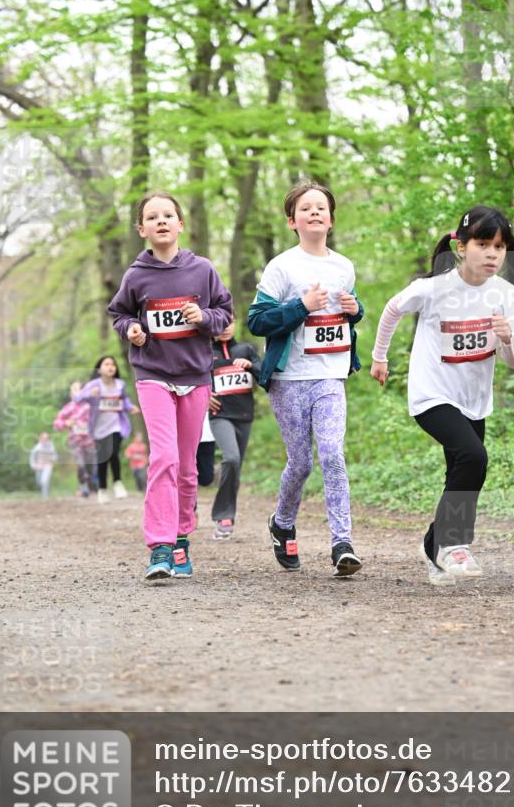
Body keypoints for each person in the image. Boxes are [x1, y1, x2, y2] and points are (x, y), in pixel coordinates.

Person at [370, 205, 514, 586]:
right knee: (474, 456)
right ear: (461, 246)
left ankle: (432, 546)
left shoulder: (504, 294)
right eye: (484, 244)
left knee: (463, 471)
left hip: (474, 400)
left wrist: (507, 338)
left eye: (500, 247)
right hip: (432, 395)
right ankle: (455, 545)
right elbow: (392, 310)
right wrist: (379, 358)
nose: (492, 254)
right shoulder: (434, 289)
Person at [108, 190, 233, 582]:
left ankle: (181, 539)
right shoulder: (136, 275)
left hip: (195, 376)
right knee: (163, 457)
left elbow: (226, 314)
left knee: (187, 466)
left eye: (168, 215)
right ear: (142, 229)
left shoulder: (202, 270)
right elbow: (119, 313)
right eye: (152, 217)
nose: (161, 221)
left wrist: (204, 317)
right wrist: (131, 329)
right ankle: (159, 546)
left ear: (180, 224)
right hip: (153, 375)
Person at [248, 179, 364, 577]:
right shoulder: (282, 267)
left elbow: (343, 317)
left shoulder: (344, 266)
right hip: (289, 379)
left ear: (331, 219)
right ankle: (282, 523)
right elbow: (257, 321)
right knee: (300, 463)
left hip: (330, 375)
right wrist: (300, 306)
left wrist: (355, 308)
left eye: (321, 207)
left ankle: (342, 544)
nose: (314, 212)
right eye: (305, 208)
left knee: (332, 453)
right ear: (291, 221)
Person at [208, 315, 262, 540]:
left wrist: (251, 367)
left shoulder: (245, 349)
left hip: (244, 415)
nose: (224, 328)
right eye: (220, 324)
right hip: (219, 415)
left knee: (236, 466)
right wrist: (203, 396)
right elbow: (192, 379)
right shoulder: (204, 353)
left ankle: (227, 516)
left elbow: (265, 374)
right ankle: (223, 515)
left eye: (229, 322)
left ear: (235, 324)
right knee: (231, 458)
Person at [74, 357, 138, 504]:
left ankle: (117, 483)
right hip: (98, 428)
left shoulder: (120, 384)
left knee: (113, 452)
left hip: (116, 425)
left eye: (113, 364)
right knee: (103, 458)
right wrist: (90, 394)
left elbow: (124, 400)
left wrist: (130, 407)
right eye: (107, 364)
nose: (111, 367)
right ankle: (102, 489)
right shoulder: (93, 385)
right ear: (100, 369)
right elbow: (77, 398)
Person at [53, 382, 97, 497]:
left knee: (90, 465)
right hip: (75, 441)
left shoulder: (90, 406)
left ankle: (90, 486)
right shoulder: (69, 407)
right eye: (73, 390)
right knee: (80, 464)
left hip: (90, 441)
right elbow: (57, 423)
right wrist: (66, 423)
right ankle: (84, 489)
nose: (75, 392)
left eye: (78, 390)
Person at [29, 432, 58, 499]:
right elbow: (32, 457)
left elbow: (55, 456)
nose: (45, 439)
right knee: (39, 481)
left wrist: (51, 459)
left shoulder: (51, 447)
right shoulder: (37, 447)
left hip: (48, 466)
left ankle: (45, 497)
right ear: (40, 438)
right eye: (43, 438)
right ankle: (47, 491)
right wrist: (33, 465)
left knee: (44, 481)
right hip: (39, 466)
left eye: (47, 438)